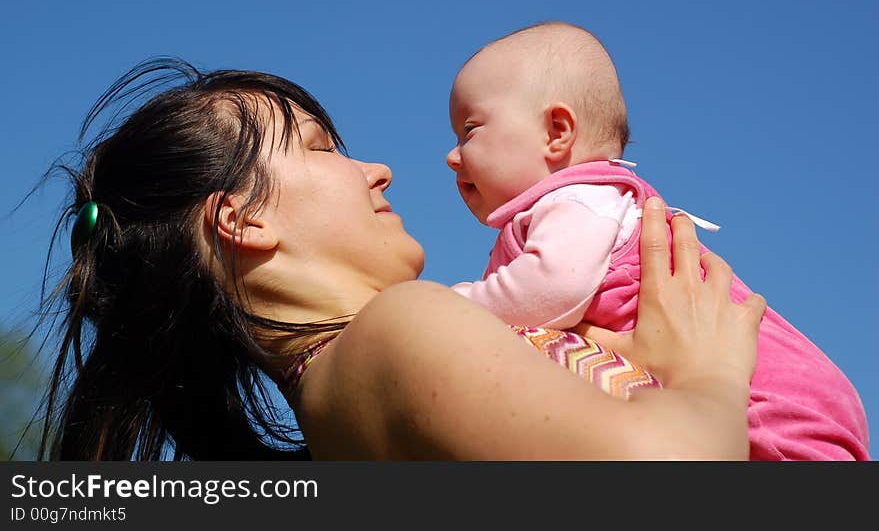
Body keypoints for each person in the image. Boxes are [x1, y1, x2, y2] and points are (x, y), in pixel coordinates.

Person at [37, 57, 766, 461]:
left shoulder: (344, 410)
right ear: (242, 219)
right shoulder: (395, 331)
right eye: (322, 147)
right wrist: (707, 377)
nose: (378, 170)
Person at [444, 21, 870, 460]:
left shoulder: (579, 200)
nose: (452, 155)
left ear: (557, 132)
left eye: (470, 130)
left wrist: (460, 304)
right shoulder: (561, 212)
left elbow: (553, 288)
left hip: (773, 401)